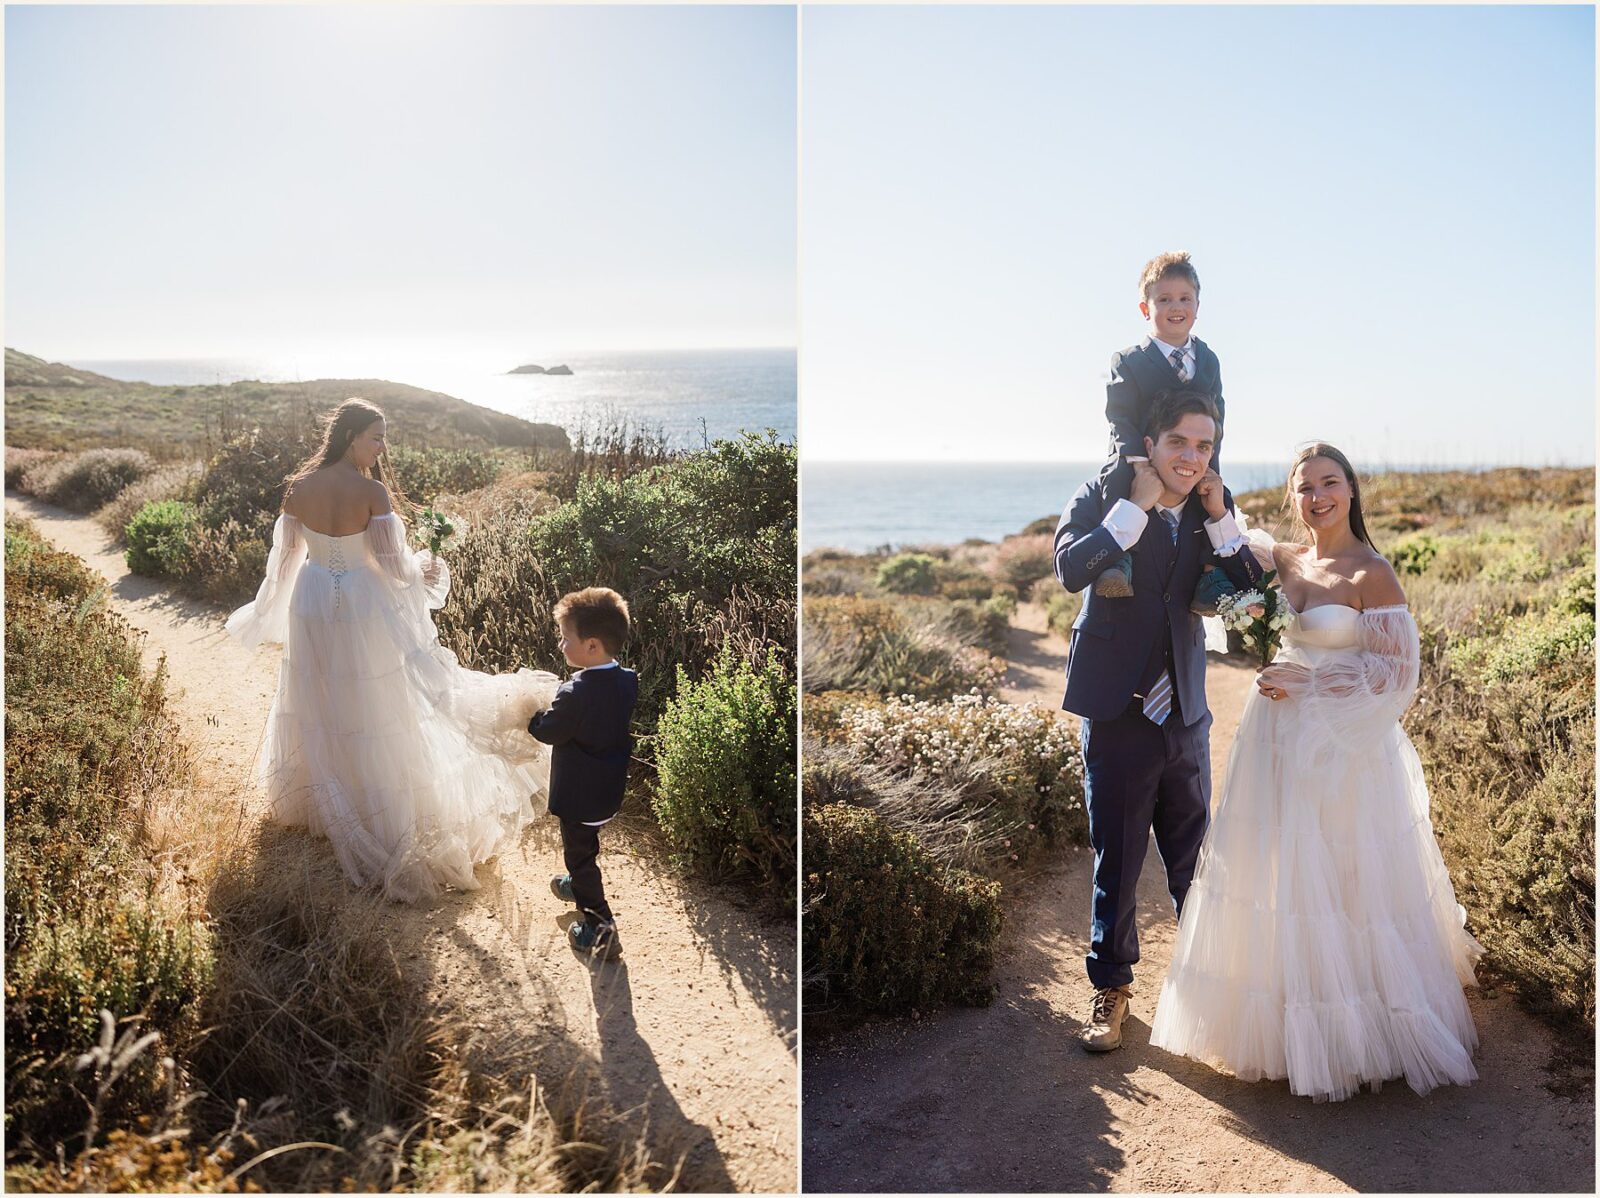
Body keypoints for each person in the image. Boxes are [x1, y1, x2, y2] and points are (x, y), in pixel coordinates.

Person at [1149, 443, 1482, 1102]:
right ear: (1293, 497)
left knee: (1345, 872)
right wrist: (1212, 503)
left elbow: (1396, 675)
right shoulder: (1283, 557)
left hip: (1342, 745)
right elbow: (1230, 557)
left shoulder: (1371, 573)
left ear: (1351, 491)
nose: (1318, 496)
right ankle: (1282, 1014)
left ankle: (1359, 1026)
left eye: (1330, 483)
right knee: (1281, 867)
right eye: (1305, 487)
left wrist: (1313, 682)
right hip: (1274, 734)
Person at [225, 399, 558, 903]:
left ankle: (325, 802)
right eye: (377, 437)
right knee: (375, 701)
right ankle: (374, 809)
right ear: (351, 436)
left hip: (311, 599)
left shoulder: (299, 489)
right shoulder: (371, 492)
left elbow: (285, 561)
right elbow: (392, 564)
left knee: (322, 695)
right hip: (361, 602)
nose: (382, 447)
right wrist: (425, 569)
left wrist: (266, 608)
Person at [1052, 389, 1264, 1051]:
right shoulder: (1102, 494)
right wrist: (1132, 512)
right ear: (1150, 444)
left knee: (1195, 861)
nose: (1191, 457)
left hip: (1186, 715)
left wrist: (1222, 518)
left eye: (1204, 446)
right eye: (1179, 442)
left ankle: (1212, 988)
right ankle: (1111, 989)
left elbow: (1250, 596)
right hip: (1118, 710)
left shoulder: (1212, 509)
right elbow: (1069, 569)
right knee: (1117, 859)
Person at [1093, 251, 1226, 599]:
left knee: (1216, 494)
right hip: (1140, 454)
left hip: (1191, 454)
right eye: (1164, 299)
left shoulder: (1208, 360)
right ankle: (1119, 560)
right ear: (1145, 308)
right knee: (1116, 481)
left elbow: (1218, 413)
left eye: (1184, 298)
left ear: (1197, 306)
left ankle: (1211, 574)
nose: (1175, 307)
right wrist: (1139, 464)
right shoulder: (1129, 360)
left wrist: (1210, 462)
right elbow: (1119, 415)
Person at [530, 587, 639, 960]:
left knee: (580, 856)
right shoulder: (628, 680)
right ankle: (578, 884)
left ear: (592, 645)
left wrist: (533, 719)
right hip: (607, 789)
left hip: (579, 797)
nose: (561, 645)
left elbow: (550, 731)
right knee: (586, 845)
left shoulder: (574, 691)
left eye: (565, 638)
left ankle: (602, 929)